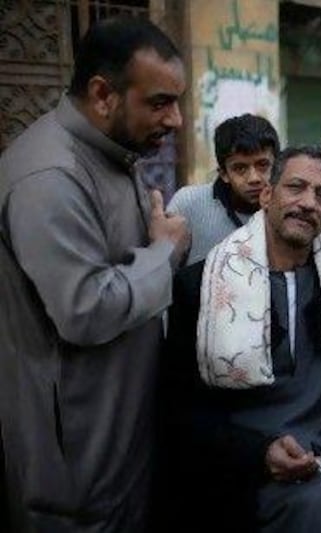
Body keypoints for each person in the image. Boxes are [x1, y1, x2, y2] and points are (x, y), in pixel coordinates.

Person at [0, 16, 189, 531]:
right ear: (103, 94)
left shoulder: (109, 153)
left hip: (120, 439)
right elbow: (85, 309)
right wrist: (164, 254)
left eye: (177, 101)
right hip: (77, 469)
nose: (175, 119)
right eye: (159, 102)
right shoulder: (51, 177)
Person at [161, 146, 321, 532]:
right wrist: (258, 453)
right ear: (267, 195)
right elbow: (178, 407)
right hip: (247, 459)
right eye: (295, 187)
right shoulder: (201, 286)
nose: (308, 203)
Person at [168, 113, 280, 266]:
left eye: (262, 165)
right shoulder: (189, 204)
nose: (254, 178)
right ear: (224, 174)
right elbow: (163, 274)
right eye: (240, 168)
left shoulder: (291, 208)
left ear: (277, 165)